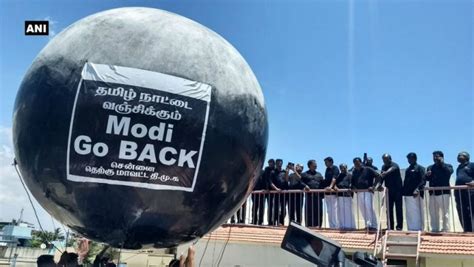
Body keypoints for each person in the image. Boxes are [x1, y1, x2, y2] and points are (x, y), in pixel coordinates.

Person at [426, 150, 453, 232]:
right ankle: (434, 228)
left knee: (445, 213)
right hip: (433, 193)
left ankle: (445, 228)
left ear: (442, 157)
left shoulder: (448, 166)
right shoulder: (430, 167)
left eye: (437, 156)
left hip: (444, 193)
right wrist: (427, 175)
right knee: (433, 212)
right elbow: (427, 179)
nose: (435, 158)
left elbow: (449, 173)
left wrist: (442, 164)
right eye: (434, 156)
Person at [351, 157, 380, 230]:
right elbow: (353, 182)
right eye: (355, 163)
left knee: (369, 207)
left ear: (361, 162)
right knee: (362, 209)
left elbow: (378, 176)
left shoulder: (368, 169)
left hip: (368, 191)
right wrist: (354, 187)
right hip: (359, 192)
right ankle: (368, 225)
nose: (356, 164)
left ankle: (374, 225)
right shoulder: (354, 171)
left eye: (357, 162)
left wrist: (373, 186)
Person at [380, 154, 404, 230]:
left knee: (398, 209)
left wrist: (386, 173)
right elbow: (382, 177)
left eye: (386, 159)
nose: (385, 161)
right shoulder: (383, 167)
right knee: (389, 210)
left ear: (390, 159)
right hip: (389, 191)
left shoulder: (395, 165)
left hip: (398, 191)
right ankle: (390, 226)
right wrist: (379, 185)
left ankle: (399, 227)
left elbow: (392, 169)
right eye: (383, 160)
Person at [403, 152, 426, 231]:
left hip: (417, 194)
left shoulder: (420, 168)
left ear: (415, 159)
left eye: (411, 158)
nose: (409, 160)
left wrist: (417, 189)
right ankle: (411, 228)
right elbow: (406, 181)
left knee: (417, 212)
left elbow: (423, 180)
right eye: (408, 159)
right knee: (410, 212)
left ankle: (419, 228)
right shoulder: (408, 169)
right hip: (408, 194)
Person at [454, 151, 474, 232]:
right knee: (462, 210)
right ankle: (466, 229)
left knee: (472, 210)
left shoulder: (472, 165)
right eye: (458, 155)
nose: (458, 156)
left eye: (461, 155)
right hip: (459, 192)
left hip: (471, 191)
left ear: (467, 157)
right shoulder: (459, 167)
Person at [301, 160, 324, 227]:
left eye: (316, 164)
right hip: (309, 196)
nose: (316, 165)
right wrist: (305, 186)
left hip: (318, 196)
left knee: (318, 211)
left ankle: (318, 226)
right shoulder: (305, 174)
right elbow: (301, 182)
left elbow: (322, 183)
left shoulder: (319, 174)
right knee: (309, 211)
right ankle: (309, 226)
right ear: (310, 165)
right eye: (314, 164)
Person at [334, 164, 355, 230]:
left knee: (348, 212)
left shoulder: (350, 175)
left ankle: (350, 226)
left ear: (346, 168)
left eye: (344, 168)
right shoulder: (339, 176)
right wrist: (335, 187)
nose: (342, 169)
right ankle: (342, 226)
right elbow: (335, 184)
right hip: (340, 196)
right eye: (341, 168)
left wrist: (350, 188)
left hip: (347, 196)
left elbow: (352, 184)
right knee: (340, 212)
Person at [323, 157, 340, 229]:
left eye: (326, 162)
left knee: (334, 210)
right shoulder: (327, 169)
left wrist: (330, 187)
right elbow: (327, 179)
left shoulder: (335, 168)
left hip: (332, 192)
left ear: (331, 162)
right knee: (329, 210)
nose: (325, 164)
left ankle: (335, 226)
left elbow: (334, 178)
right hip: (327, 193)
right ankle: (331, 226)